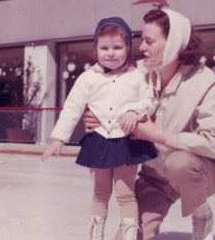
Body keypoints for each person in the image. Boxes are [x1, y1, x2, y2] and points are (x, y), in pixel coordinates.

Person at [84, 8, 215, 240]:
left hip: (200, 170)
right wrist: (93, 116)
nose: (141, 48)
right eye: (142, 41)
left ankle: (201, 212)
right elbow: (101, 91)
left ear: (173, 44)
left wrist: (158, 136)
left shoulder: (205, 81)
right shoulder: (135, 74)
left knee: (179, 163)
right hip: (155, 177)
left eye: (149, 41)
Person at [41, 17, 158, 240]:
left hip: (126, 143)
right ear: (96, 49)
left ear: (128, 49)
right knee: (100, 193)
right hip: (99, 140)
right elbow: (72, 107)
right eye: (104, 48)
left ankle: (130, 236)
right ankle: (96, 236)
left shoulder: (137, 76)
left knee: (126, 194)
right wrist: (58, 138)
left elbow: (150, 100)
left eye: (117, 47)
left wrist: (136, 111)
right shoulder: (87, 78)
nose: (110, 53)